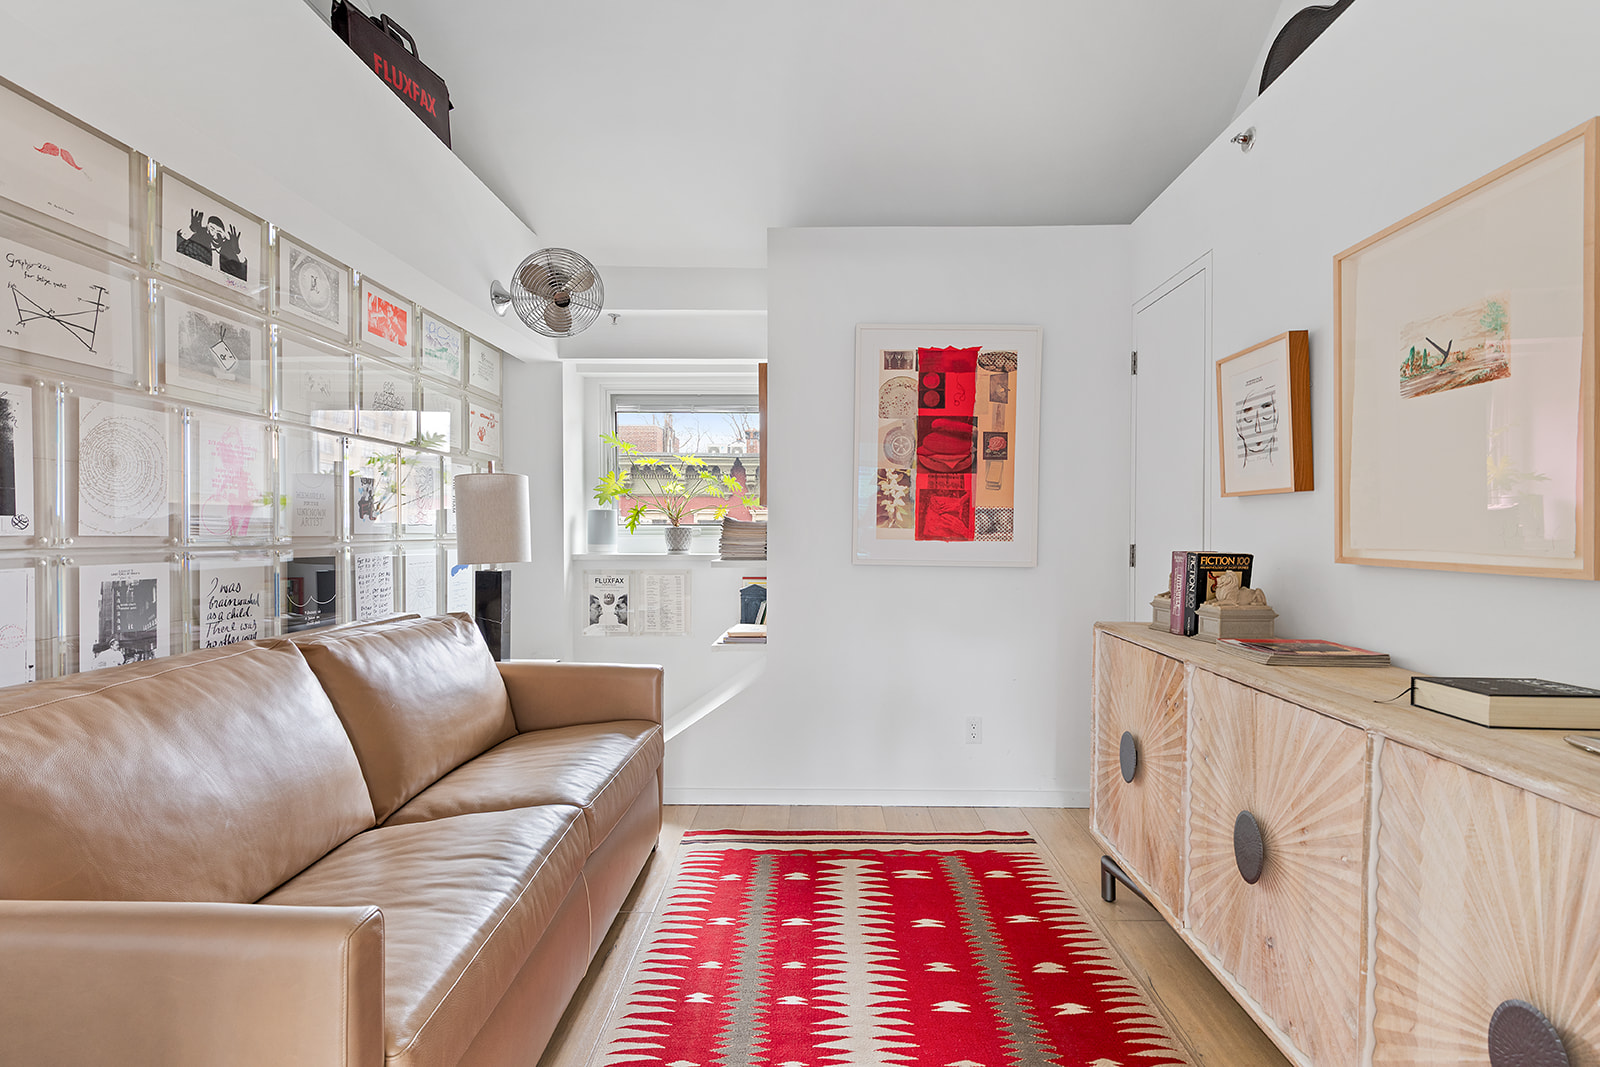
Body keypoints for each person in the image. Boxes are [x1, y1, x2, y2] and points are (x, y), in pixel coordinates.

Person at [176, 209, 249, 281]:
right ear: (207, 230)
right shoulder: (199, 248)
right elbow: (179, 247)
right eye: (212, 229)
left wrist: (238, 251)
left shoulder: (229, 257)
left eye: (219, 231)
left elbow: (244, 274)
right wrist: (191, 230)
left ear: (224, 237)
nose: (215, 234)